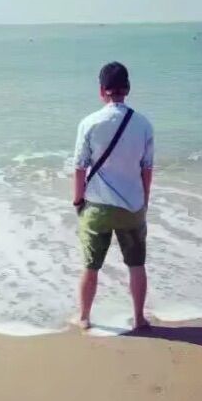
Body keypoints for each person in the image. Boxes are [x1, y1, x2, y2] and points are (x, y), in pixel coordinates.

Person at [72, 62, 154, 330]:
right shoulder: (143, 124)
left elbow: (79, 167)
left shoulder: (89, 123)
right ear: (127, 89)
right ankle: (139, 318)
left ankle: (84, 318)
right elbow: (147, 169)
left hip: (97, 207)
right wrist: (144, 203)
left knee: (91, 267)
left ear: (101, 90)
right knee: (136, 265)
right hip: (132, 207)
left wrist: (78, 200)